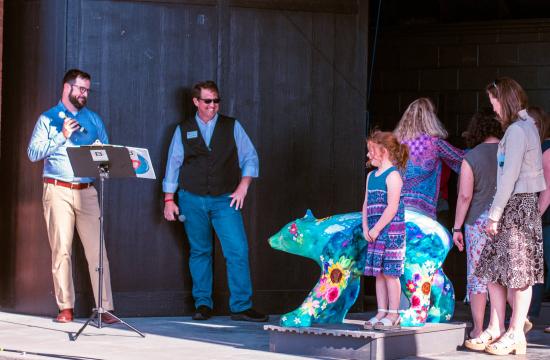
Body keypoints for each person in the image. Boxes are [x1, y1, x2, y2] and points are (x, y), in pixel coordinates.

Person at [163, 80, 268, 322]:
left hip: (224, 199)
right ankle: (203, 304)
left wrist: (243, 188)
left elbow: (250, 157)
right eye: (208, 101)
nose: (213, 106)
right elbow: (173, 164)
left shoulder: (232, 126)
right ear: (196, 102)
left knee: (237, 250)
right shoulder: (183, 128)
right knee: (200, 251)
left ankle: (241, 306)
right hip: (191, 198)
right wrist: (169, 199)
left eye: (216, 101)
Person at [27, 69, 117, 324]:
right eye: (80, 89)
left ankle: (105, 307)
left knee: (97, 251)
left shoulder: (94, 120)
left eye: (87, 90)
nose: (84, 94)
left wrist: (103, 155)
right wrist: (61, 136)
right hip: (57, 189)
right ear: (67, 88)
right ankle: (65, 307)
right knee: (61, 250)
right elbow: (33, 153)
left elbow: (107, 157)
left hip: (87, 191)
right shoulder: (48, 118)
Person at [473, 77, 545, 356]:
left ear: (505, 101)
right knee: (495, 269)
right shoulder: (526, 127)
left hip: (515, 206)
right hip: (517, 206)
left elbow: (509, 177)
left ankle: (514, 332)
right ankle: (502, 329)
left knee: (517, 273)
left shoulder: (517, 130)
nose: (494, 110)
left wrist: (494, 215)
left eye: (495, 104)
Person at [451, 110, 503, 343]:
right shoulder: (511, 151)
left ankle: (479, 329)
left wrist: (457, 227)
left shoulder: (471, 157)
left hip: (479, 221)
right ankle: (502, 326)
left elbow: (464, 196)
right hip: (505, 219)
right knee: (502, 276)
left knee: (477, 276)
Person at [362, 131, 409, 330]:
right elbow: (365, 203)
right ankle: (381, 311)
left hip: (390, 233)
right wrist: (366, 228)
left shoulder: (393, 176)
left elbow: (392, 207)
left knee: (390, 273)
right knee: (379, 274)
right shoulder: (371, 176)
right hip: (374, 232)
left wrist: (377, 228)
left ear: (384, 151)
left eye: (371, 150)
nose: (368, 155)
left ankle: (393, 313)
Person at [394, 97, 464, 219]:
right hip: (423, 212)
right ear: (431, 118)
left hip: (395, 209)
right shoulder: (435, 143)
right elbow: (463, 158)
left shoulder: (395, 144)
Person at [526, 106, 550, 334]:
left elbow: (548, 189)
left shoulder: (546, 148)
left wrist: (535, 217)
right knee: (537, 268)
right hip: (541, 219)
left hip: (545, 219)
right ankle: (528, 315)